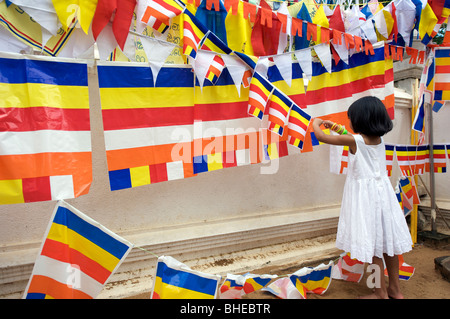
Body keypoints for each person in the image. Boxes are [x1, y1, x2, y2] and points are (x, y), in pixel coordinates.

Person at [312, 96, 413, 299]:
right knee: (388, 246)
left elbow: (322, 137)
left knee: (374, 248)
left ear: (361, 120)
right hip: (384, 198)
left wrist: (315, 123)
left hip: (367, 201)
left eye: (351, 118)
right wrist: (338, 128)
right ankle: (395, 290)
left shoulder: (356, 141)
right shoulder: (379, 140)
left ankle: (380, 292)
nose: (349, 121)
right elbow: (352, 139)